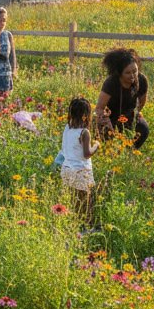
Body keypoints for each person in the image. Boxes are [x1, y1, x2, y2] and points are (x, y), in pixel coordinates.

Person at [96, 47, 150, 149]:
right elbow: (99, 108)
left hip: (129, 115)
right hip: (111, 116)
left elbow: (141, 103)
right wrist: (106, 121)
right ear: (119, 73)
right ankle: (110, 153)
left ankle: (131, 151)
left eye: (135, 71)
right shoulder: (111, 83)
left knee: (144, 129)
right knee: (106, 135)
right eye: (128, 73)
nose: (133, 75)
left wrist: (135, 115)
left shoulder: (142, 80)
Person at [60, 96, 99, 226]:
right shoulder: (84, 132)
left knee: (74, 200)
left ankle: (74, 224)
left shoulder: (68, 128)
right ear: (85, 115)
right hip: (81, 171)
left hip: (66, 169)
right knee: (87, 202)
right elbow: (87, 154)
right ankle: (87, 226)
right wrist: (96, 146)